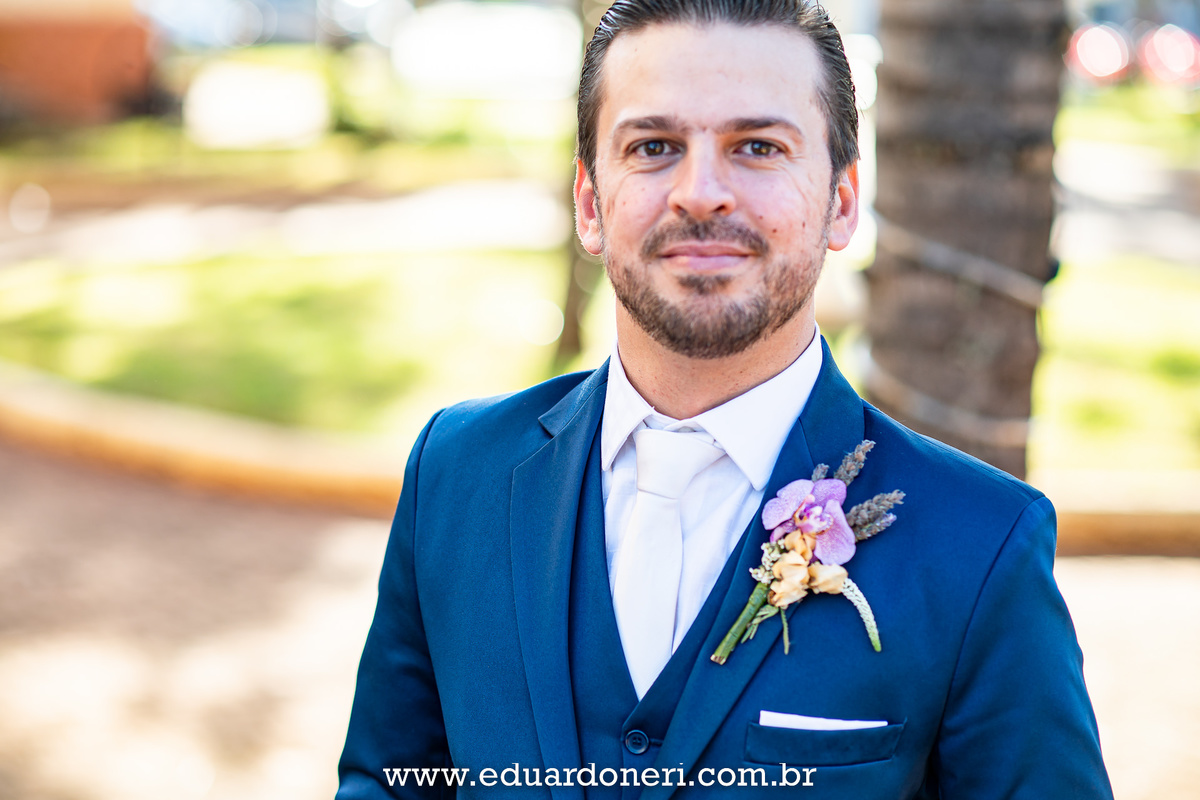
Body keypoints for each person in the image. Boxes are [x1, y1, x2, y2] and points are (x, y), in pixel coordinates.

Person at [336, 1, 1114, 797]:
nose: (700, 193)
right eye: (654, 146)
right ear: (591, 203)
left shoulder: (981, 545)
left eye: (757, 147)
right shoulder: (456, 474)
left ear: (843, 199)